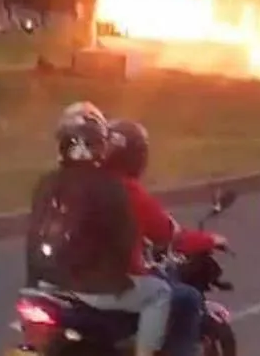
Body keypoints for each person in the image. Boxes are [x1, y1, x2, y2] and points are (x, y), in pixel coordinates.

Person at [26, 101, 172, 356]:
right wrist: (139, 271)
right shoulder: (111, 188)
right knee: (159, 292)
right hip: (92, 288)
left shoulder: (47, 183)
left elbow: (34, 234)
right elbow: (124, 244)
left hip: (46, 283)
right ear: (100, 146)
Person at [106, 118, 229, 356]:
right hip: (113, 285)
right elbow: (172, 236)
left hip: (68, 281)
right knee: (188, 298)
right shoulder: (130, 193)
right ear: (137, 157)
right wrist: (209, 239)